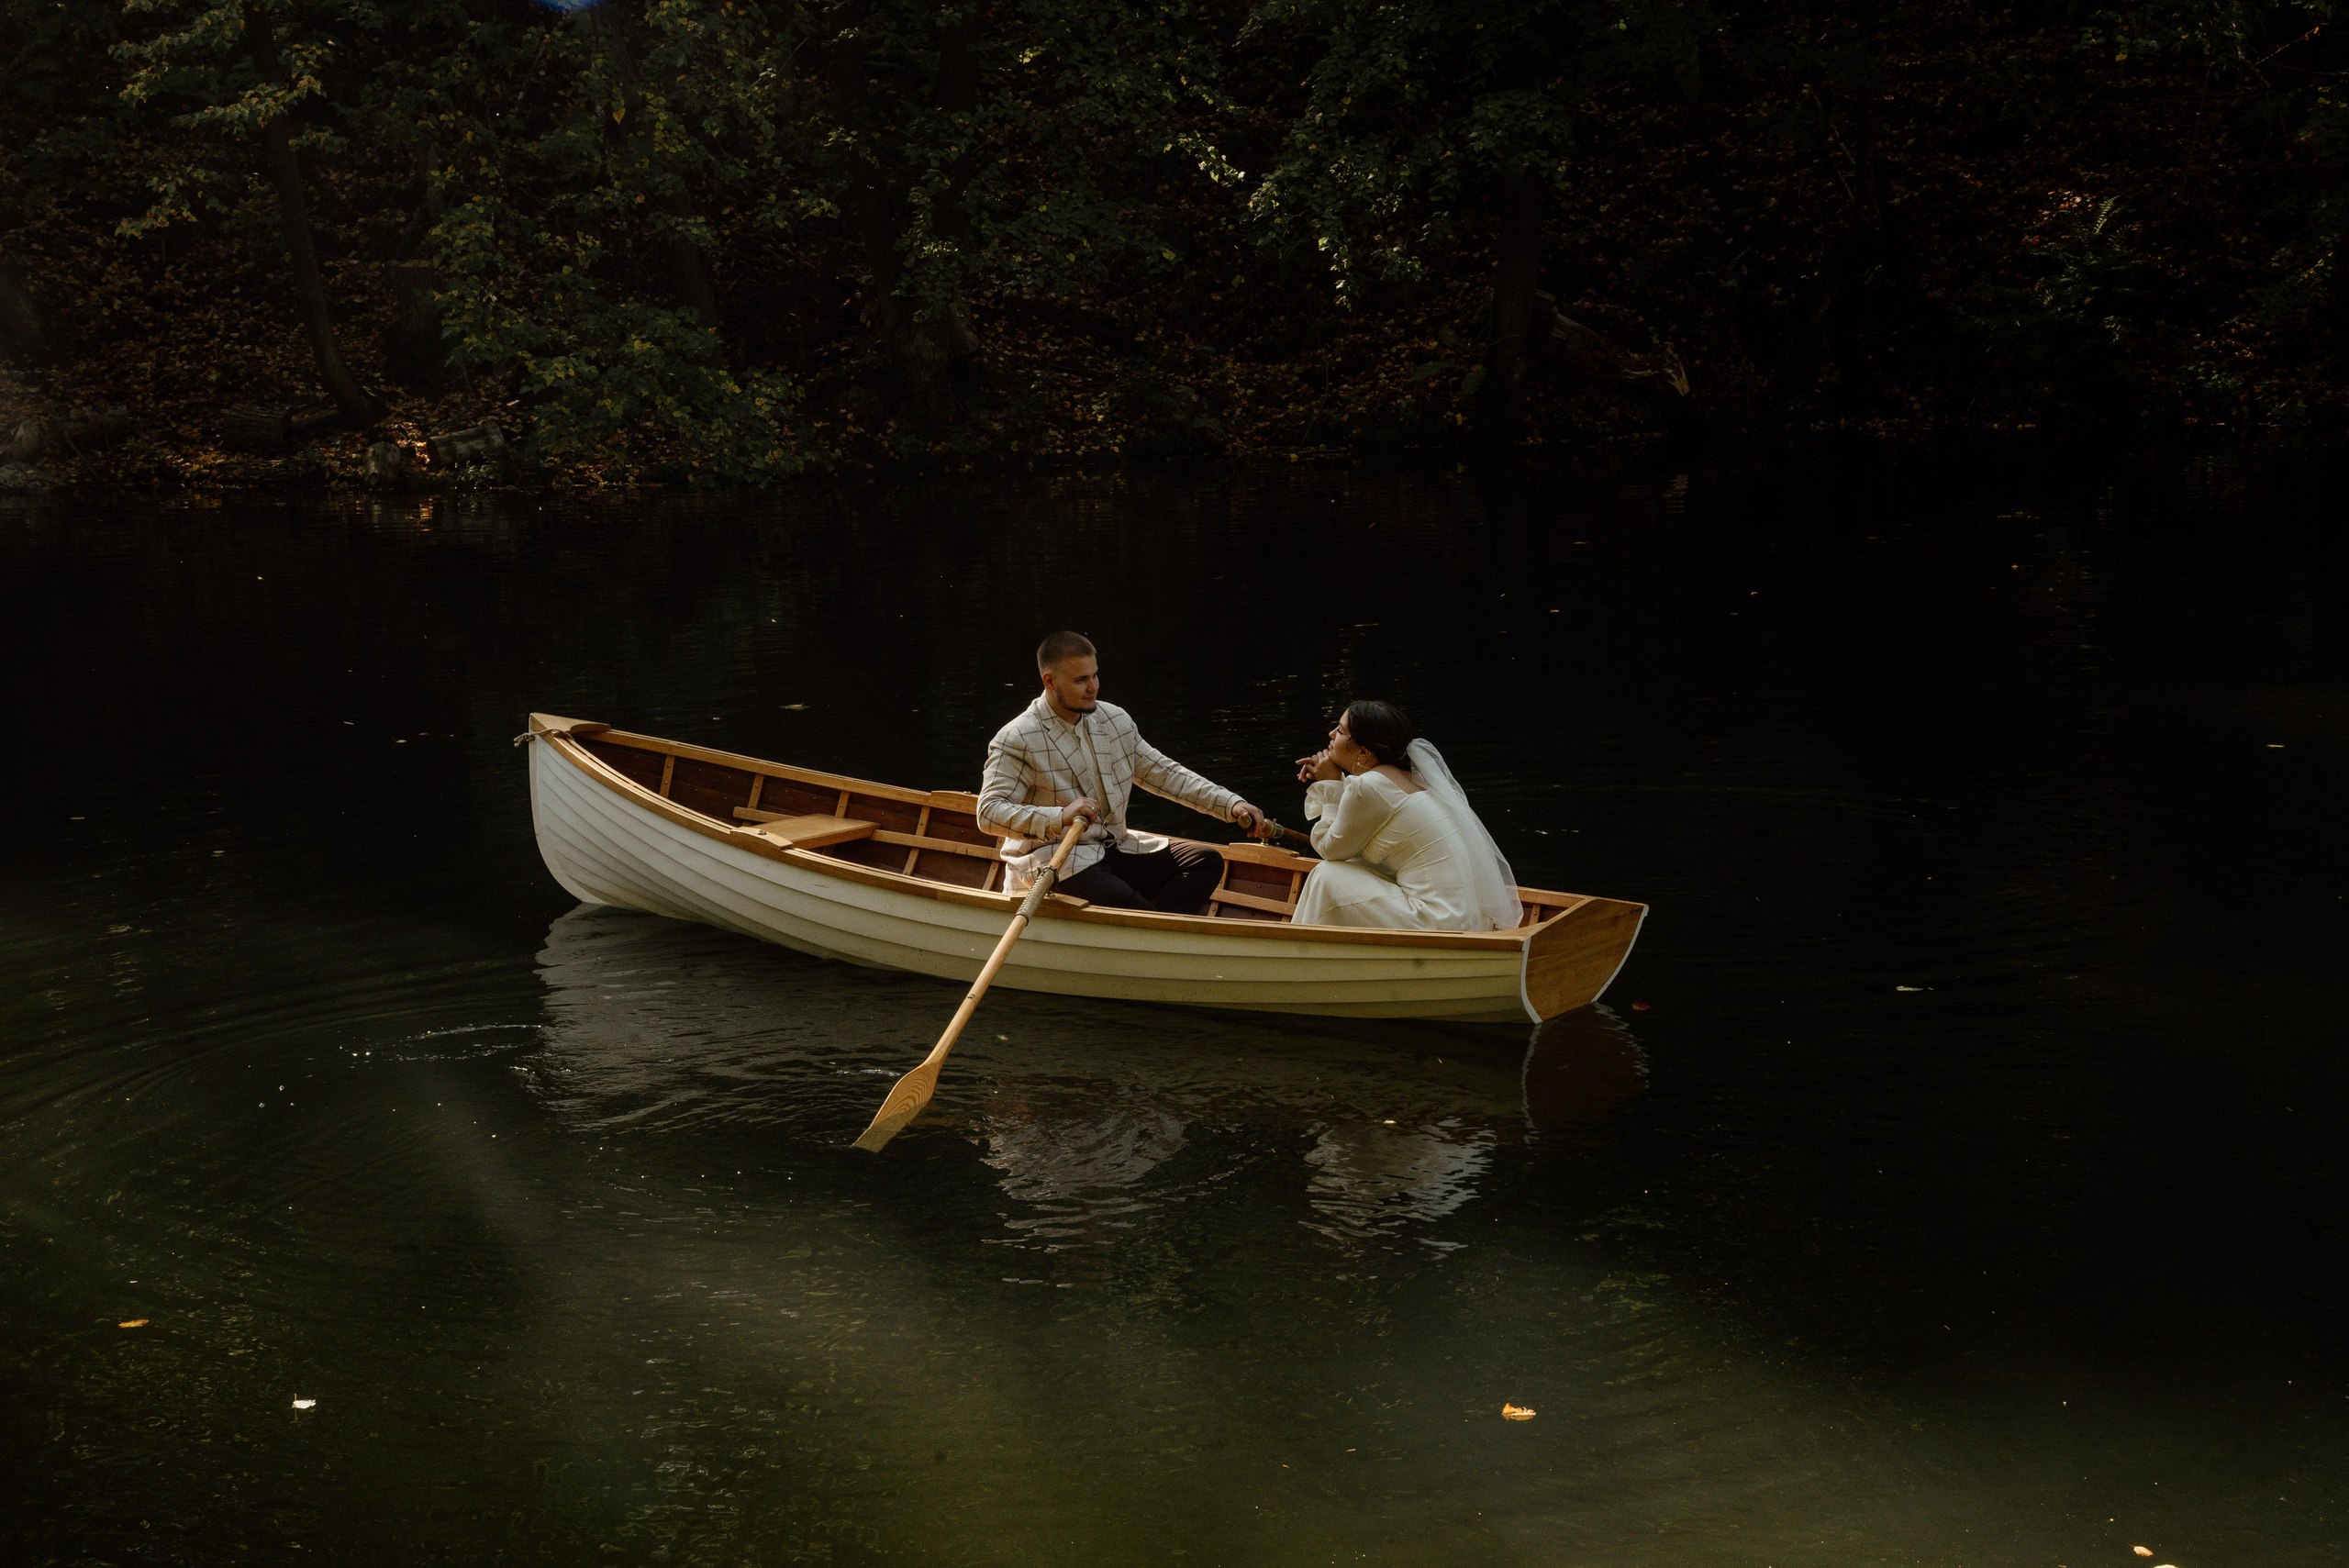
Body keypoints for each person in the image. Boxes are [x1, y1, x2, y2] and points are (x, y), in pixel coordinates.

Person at [978, 631, 1269, 914]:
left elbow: (1165, 773)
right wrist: (1060, 816)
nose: (1093, 687)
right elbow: (989, 813)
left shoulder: (1114, 720)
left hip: (1116, 848)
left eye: (1094, 675)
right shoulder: (1018, 737)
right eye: (1081, 680)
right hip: (1056, 862)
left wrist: (1230, 803)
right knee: (1122, 899)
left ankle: (1157, 934)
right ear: (1049, 681)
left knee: (1205, 861)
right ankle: (1157, 934)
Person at [1290, 701, 1522, 931]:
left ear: (1363, 751)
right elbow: (1351, 842)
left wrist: (1330, 787)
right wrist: (1335, 784)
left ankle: (1297, 953)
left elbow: (1330, 850)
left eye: (1341, 731)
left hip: (1439, 920)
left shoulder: (1368, 787)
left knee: (1325, 875)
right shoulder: (1409, 777)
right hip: (1464, 915)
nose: (1330, 734)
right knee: (1348, 867)